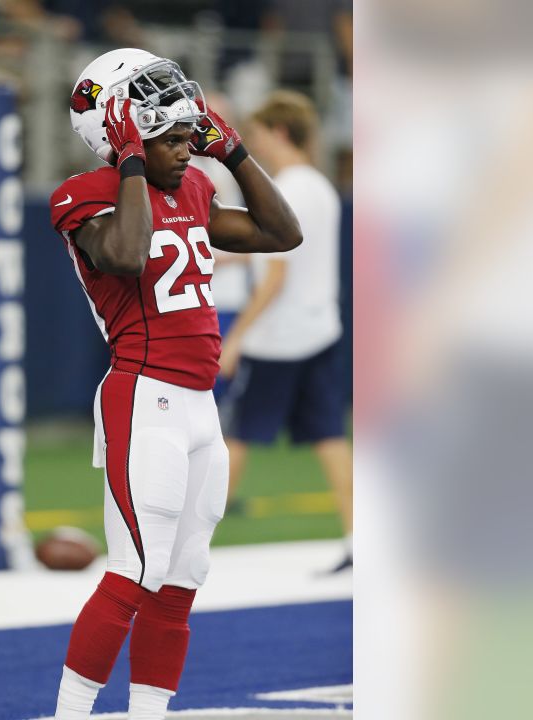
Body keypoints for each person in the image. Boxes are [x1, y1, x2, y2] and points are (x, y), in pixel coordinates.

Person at [48, 48, 302, 719]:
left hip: (197, 406)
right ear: (122, 132)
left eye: (191, 134)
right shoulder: (84, 194)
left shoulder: (192, 187)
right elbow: (127, 254)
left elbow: (283, 233)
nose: (188, 147)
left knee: (183, 579)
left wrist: (236, 151)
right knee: (135, 569)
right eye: (172, 135)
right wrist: (133, 159)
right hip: (143, 394)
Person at [216, 90, 353, 571]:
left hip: (277, 340)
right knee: (330, 437)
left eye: (255, 136)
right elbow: (285, 257)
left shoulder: (286, 190)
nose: (252, 146)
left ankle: (190, 551)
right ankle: (360, 538)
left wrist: (234, 339)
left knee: (236, 436)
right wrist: (224, 257)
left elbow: (277, 275)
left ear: (278, 132)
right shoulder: (318, 186)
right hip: (320, 329)